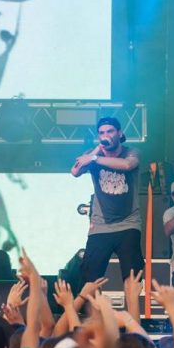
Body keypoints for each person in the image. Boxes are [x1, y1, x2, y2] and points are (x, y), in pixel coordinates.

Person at [70, 117, 144, 293]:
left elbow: (127, 165)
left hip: (128, 222)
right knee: (90, 277)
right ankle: (91, 310)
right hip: (100, 224)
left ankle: (132, 310)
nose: (106, 135)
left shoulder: (131, 152)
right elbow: (75, 172)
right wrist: (95, 151)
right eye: (102, 133)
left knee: (132, 277)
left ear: (119, 133)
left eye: (110, 131)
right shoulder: (92, 154)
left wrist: (95, 158)